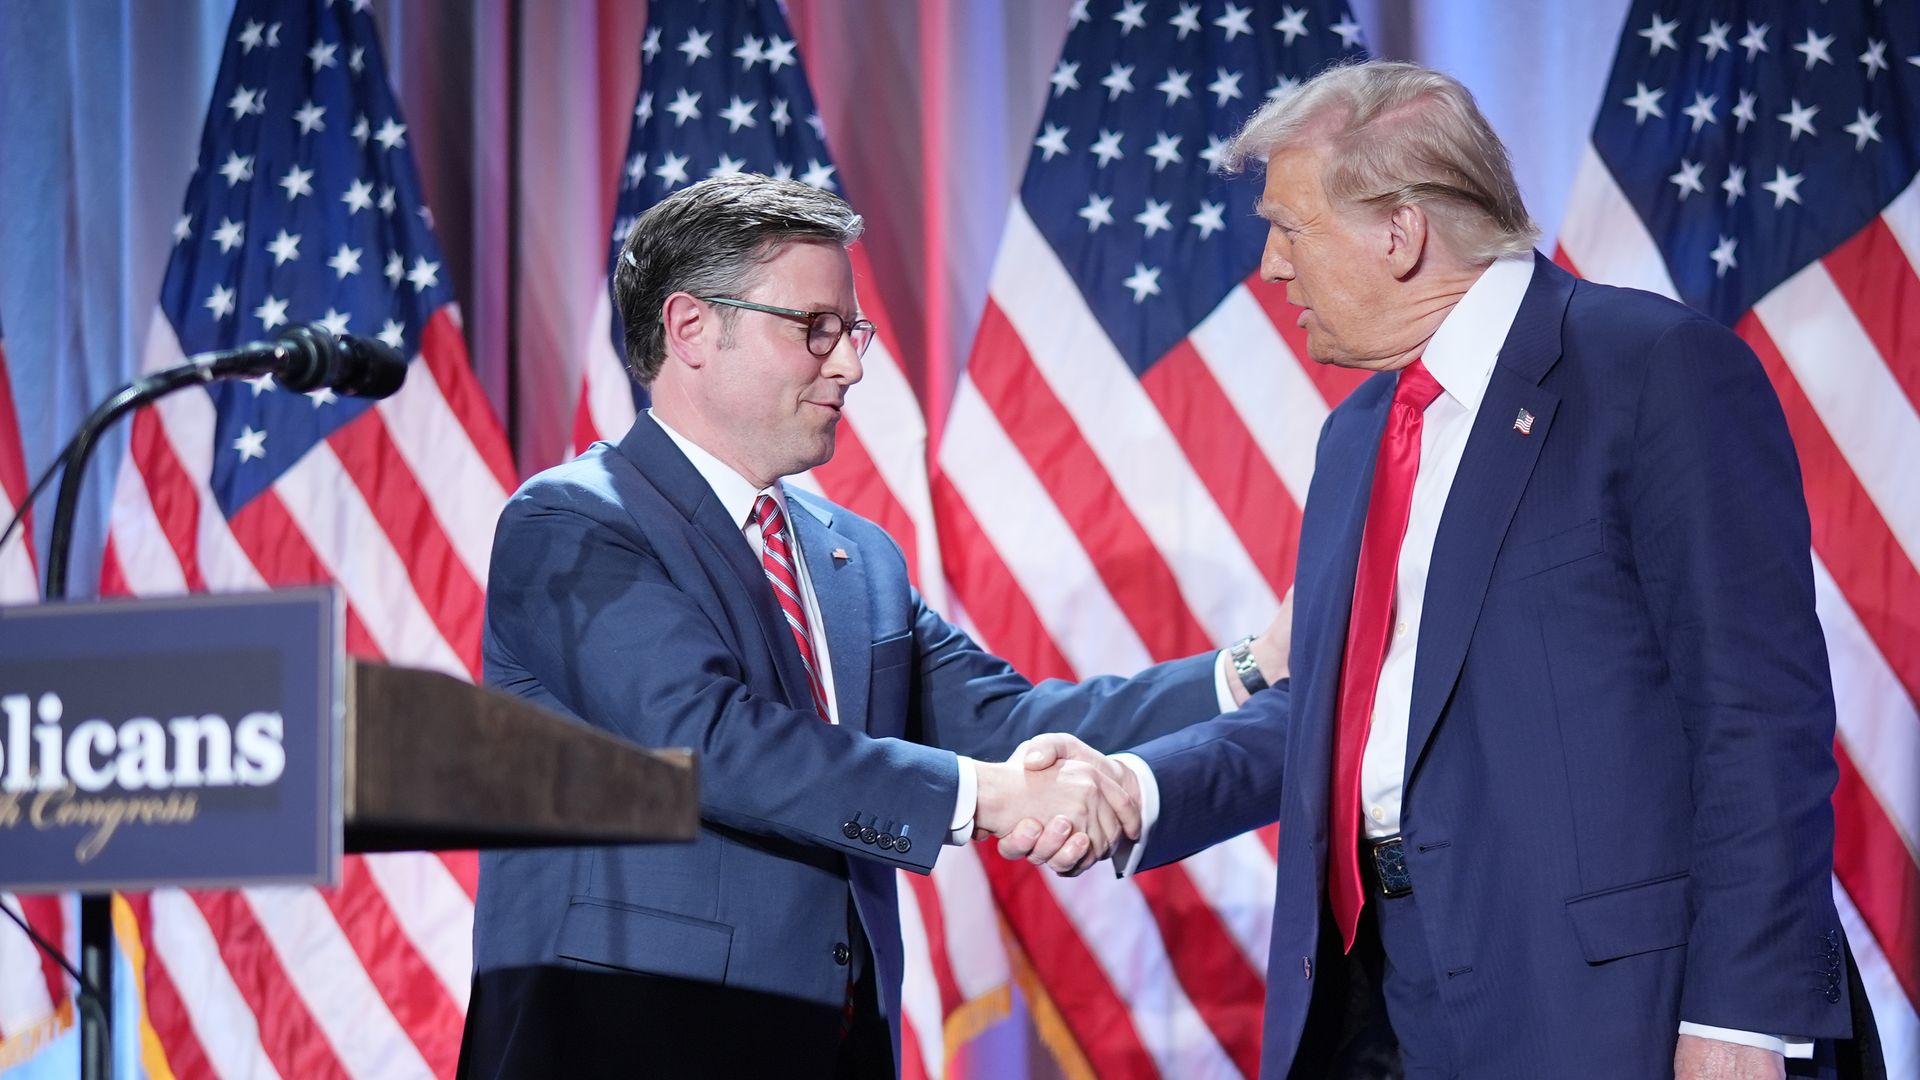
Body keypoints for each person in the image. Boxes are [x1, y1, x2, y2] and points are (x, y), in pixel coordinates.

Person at [1011, 61, 1869, 1079]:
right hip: (1382, 1005)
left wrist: (1742, 1017)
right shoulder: (1358, 436)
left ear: (1400, 232)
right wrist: (1139, 788)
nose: (1271, 266)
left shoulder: (1649, 369)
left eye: (1290, 227)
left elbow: (1756, 718)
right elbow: (1336, 714)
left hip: (1612, 1006)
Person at [459, 173, 1281, 1079]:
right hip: (632, 1042)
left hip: (835, 1044)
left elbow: (1009, 725)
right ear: (689, 327)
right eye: (814, 329)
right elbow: (707, 739)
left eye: (851, 332)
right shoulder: (573, 522)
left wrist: (1245, 668)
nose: (849, 364)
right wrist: (988, 799)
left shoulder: (855, 555)